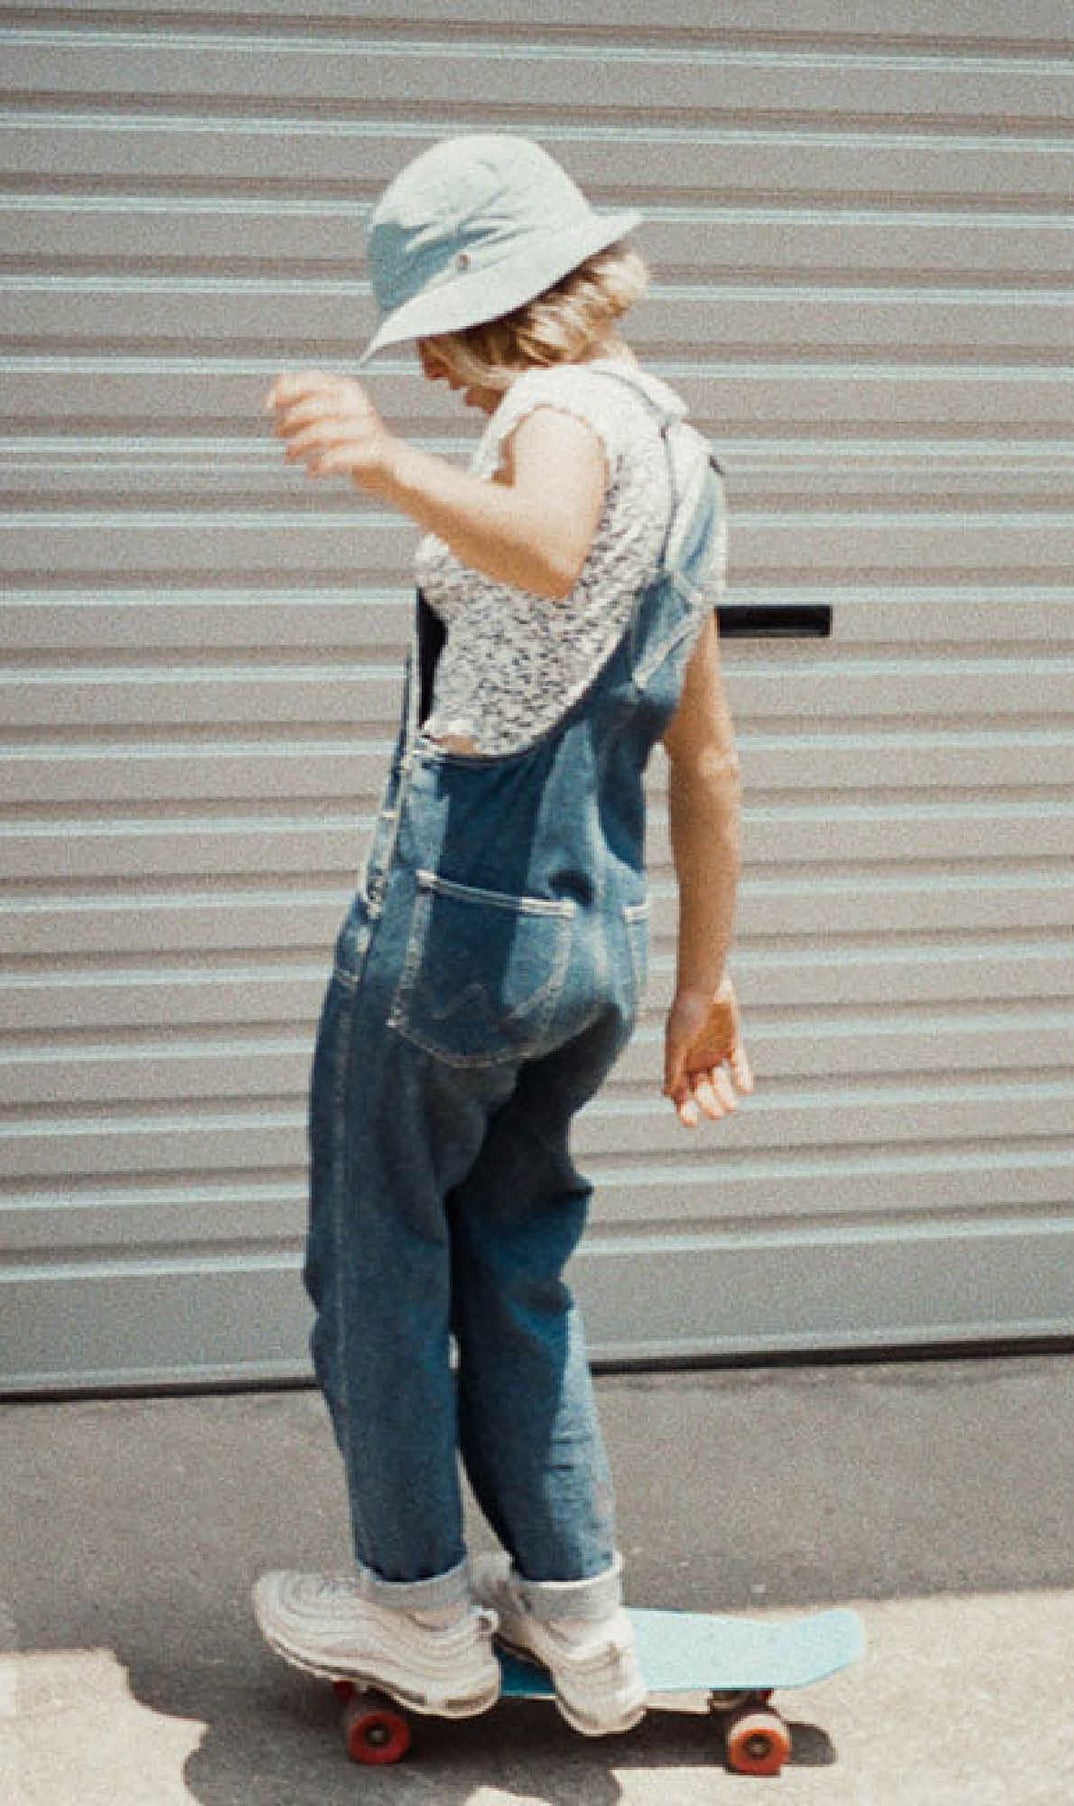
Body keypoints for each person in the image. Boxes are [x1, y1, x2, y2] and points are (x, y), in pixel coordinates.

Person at [250, 134, 751, 1739]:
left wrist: (384, 465)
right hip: (590, 936)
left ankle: (412, 1606)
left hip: (457, 922)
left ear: (489, 312)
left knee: (377, 1264)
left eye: (439, 342)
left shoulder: (558, 411)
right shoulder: (680, 443)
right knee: (517, 1267)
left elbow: (534, 543)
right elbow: (709, 753)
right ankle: (578, 1607)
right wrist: (705, 982)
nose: (444, 383)